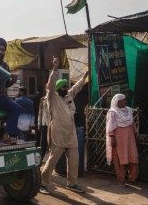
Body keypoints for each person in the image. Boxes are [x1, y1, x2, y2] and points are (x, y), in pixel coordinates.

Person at [39, 56, 88, 195]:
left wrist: (84, 75)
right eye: (64, 86)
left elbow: (77, 86)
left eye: (67, 86)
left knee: (74, 161)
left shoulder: (69, 96)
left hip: (71, 134)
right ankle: (43, 182)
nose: (66, 88)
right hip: (57, 134)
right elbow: (51, 84)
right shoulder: (52, 98)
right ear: (58, 88)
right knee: (52, 160)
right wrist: (55, 68)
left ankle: (72, 184)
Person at [106, 94, 139, 187]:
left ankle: (133, 178)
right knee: (120, 158)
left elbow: (132, 123)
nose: (125, 102)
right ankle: (121, 179)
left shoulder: (129, 110)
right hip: (119, 138)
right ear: (118, 102)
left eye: (125, 100)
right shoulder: (112, 112)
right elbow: (110, 126)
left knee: (133, 156)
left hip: (130, 137)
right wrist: (112, 138)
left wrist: (136, 133)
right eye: (123, 100)